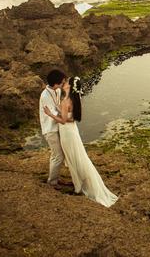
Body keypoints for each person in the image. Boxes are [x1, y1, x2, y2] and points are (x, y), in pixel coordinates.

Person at [44, 76, 119, 207]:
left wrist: (49, 113)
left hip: (67, 133)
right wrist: (60, 109)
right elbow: (73, 118)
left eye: (66, 82)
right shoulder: (75, 99)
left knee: (73, 158)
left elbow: (62, 120)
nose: (64, 83)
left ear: (69, 86)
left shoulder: (66, 101)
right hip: (73, 131)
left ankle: (79, 185)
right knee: (79, 156)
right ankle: (80, 181)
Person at [39, 69, 69, 189]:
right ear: (56, 83)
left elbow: (57, 107)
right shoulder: (45, 95)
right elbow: (53, 113)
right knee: (58, 156)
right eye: (62, 83)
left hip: (56, 127)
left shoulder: (56, 90)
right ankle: (52, 182)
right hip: (50, 129)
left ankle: (55, 178)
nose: (63, 85)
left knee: (58, 154)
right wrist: (66, 116)